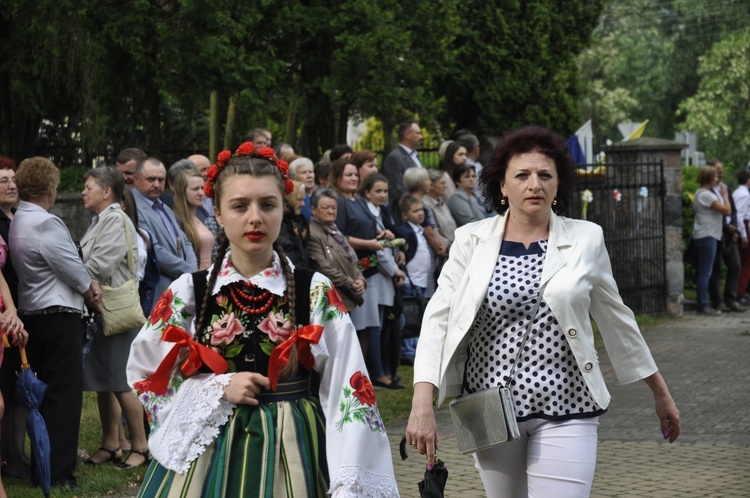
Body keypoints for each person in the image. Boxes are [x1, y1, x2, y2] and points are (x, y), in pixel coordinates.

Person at [405, 126, 680, 497]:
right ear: (503, 186)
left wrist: (660, 392)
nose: (534, 183)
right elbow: (438, 319)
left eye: (544, 175)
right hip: (489, 409)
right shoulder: (471, 240)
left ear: (557, 184)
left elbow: (618, 320)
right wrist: (422, 402)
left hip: (568, 404)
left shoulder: (586, 238)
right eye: (522, 175)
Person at [126, 141, 398, 497]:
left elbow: (350, 387)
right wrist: (216, 388)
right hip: (210, 451)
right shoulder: (189, 291)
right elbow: (145, 372)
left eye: (267, 204)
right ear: (219, 214)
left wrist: (348, 481)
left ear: (283, 210)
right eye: (240, 206)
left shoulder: (312, 289)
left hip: (296, 446)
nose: (255, 217)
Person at [10, 157, 103, 489]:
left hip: (33, 312)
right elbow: (70, 265)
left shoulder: (18, 219)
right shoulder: (46, 223)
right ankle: (59, 473)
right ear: (51, 189)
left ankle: (44, 466)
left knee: (45, 394)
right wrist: (90, 289)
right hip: (59, 314)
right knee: (64, 395)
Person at [79, 167, 150, 469]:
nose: (83, 191)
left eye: (88, 186)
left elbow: (100, 265)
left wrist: (70, 272)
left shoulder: (115, 219)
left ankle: (142, 446)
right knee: (103, 382)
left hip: (114, 311)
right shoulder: (102, 219)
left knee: (120, 381)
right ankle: (111, 445)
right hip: (101, 311)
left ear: (107, 192)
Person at [330, 160, 402, 389]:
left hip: (368, 266)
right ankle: (354, 378)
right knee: (359, 325)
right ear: (337, 177)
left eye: (354, 175)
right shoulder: (340, 202)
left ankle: (362, 375)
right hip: (353, 267)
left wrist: (382, 235)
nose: (352, 178)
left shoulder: (359, 200)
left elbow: (367, 229)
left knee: (370, 325)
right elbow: (339, 235)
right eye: (347, 175)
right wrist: (369, 244)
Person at [132, 157, 197, 305]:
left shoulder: (164, 207)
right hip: (156, 292)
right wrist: (190, 271)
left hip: (179, 287)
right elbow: (154, 250)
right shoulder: (132, 208)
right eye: (151, 179)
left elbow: (185, 241)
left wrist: (192, 269)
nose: (156, 184)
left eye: (161, 180)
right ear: (136, 179)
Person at [0, 157, 27, 480]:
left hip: (12, 313)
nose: (10, 184)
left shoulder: (18, 217)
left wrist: (12, 310)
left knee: (13, 391)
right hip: (7, 315)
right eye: (3, 180)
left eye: (12, 179)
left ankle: (14, 455)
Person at [307, 187, 366, 312]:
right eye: (325, 208)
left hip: (346, 297)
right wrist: (350, 282)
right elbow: (322, 266)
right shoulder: (312, 233)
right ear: (313, 210)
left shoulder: (336, 231)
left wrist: (360, 279)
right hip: (331, 299)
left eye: (334, 208)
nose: (330, 211)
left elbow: (350, 260)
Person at [692, 165, 731, 315]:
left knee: (705, 271)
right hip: (707, 235)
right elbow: (727, 210)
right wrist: (725, 194)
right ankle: (702, 305)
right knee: (705, 272)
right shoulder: (706, 195)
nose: (717, 178)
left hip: (707, 234)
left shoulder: (701, 193)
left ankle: (703, 303)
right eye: (715, 176)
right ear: (708, 178)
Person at [707, 159, 744, 312]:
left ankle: (731, 298)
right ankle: (717, 300)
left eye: (722, 172)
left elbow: (733, 210)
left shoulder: (725, 187)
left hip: (729, 233)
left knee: (735, 265)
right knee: (716, 269)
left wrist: (734, 228)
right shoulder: (707, 190)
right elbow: (717, 213)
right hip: (718, 232)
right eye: (718, 172)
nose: (721, 175)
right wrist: (726, 226)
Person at [172, 170, 215, 271]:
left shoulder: (200, 217)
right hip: (194, 278)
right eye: (195, 189)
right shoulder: (176, 220)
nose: (201, 193)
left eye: (202, 188)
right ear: (182, 192)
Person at [383, 120, 424, 221]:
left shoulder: (415, 155)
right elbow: (398, 189)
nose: (421, 137)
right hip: (408, 216)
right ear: (407, 135)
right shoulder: (394, 158)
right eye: (418, 133)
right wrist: (415, 206)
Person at [423, 169, 457, 252]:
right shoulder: (426, 205)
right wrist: (452, 248)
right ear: (431, 186)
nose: (445, 186)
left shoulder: (442, 201)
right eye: (442, 183)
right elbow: (433, 232)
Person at [278, 180, 310, 267]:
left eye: (303, 200)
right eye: (299, 200)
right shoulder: (280, 226)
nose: (303, 204)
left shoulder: (298, 222)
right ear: (288, 199)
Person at [733, 169, 750, 305]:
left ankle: (740, 291)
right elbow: (740, 215)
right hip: (744, 227)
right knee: (746, 262)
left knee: (742, 261)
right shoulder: (745, 194)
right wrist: (744, 235)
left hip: (742, 227)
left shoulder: (737, 192)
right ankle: (741, 292)